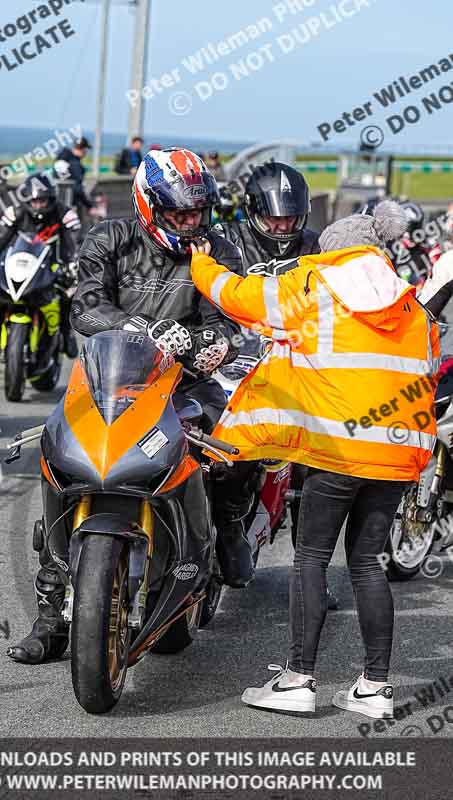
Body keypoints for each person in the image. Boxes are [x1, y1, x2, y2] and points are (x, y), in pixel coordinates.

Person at [189, 201, 441, 719]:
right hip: (396, 456)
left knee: (311, 558)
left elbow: (239, 297)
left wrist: (201, 262)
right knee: (367, 562)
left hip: (337, 449)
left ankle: (299, 680)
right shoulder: (413, 308)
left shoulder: (313, 288)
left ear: (332, 254)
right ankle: (375, 688)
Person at [7, 147, 255, 665]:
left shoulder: (218, 248)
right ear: (149, 205)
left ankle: (227, 530)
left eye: (197, 212)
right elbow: (86, 306)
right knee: (58, 457)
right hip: (108, 376)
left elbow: (233, 313)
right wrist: (141, 327)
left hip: (186, 382)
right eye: (179, 213)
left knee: (234, 438)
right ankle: (52, 620)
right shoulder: (110, 239)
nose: (191, 223)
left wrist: (217, 343)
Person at [217, 161, 336, 604]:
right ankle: (227, 524)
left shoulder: (317, 248)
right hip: (232, 358)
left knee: (317, 467)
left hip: (298, 365)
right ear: (253, 213)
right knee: (216, 442)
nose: (283, 226)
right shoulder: (226, 244)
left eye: (290, 218)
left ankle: (312, 578)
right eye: (274, 218)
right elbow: (205, 292)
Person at [0, 173, 80, 358]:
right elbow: (0, 240)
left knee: (69, 292)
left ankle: (67, 332)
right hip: (22, 265)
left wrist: (73, 263)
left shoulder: (65, 214)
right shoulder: (14, 213)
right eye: (34, 201)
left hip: (54, 265)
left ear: (51, 199)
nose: (38, 205)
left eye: (43, 200)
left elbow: (73, 243)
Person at [55, 137, 93, 222]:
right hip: (71, 204)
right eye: (85, 149)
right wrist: (89, 205)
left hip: (56, 203)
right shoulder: (75, 165)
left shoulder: (60, 158)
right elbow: (77, 188)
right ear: (83, 149)